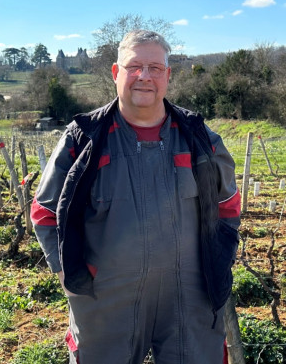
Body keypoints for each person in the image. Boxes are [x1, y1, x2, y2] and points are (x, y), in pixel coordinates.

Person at [31, 29, 241, 363]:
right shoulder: (84, 138)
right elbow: (44, 211)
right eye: (134, 66)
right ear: (116, 73)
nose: (144, 76)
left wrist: (219, 266)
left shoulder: (200, 138)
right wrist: (67, 277)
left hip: (191, 297)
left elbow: (227, 206)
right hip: (105, 300)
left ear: (168, 76)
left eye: (155, 68)